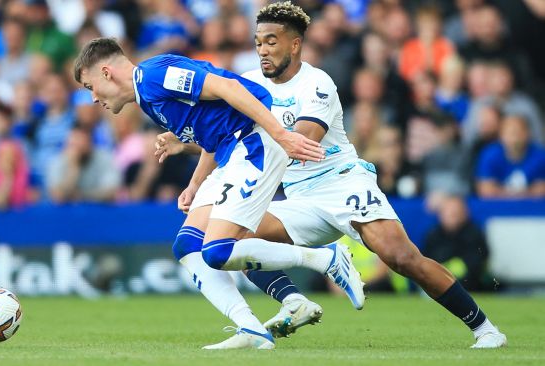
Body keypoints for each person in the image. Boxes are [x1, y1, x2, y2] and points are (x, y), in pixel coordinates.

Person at [155, 1, 506, 349]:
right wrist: (187, 148)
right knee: (232, 240)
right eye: (259, 42)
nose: (263, 50)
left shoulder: (317, 84)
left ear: (295, 44)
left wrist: (250, 138)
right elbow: (226, 138)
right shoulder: (246, 84)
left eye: (272, 42)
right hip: (297, 196)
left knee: (402, 258)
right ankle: (294, 301)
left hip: (341, 182)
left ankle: (485, 328)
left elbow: (301, 142)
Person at [73, 36, 358, 350]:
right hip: (229, 153)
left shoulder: (154, 76)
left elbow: (229, 89)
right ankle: (251, 329)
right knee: (188, 246)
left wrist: (281, 135)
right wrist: (195, 184)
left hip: (253, 143)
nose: (93, 99)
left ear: (106, 73)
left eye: (90, 87)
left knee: (218, 251)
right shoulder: (147, 97)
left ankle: (326, 258)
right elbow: (212, 131)